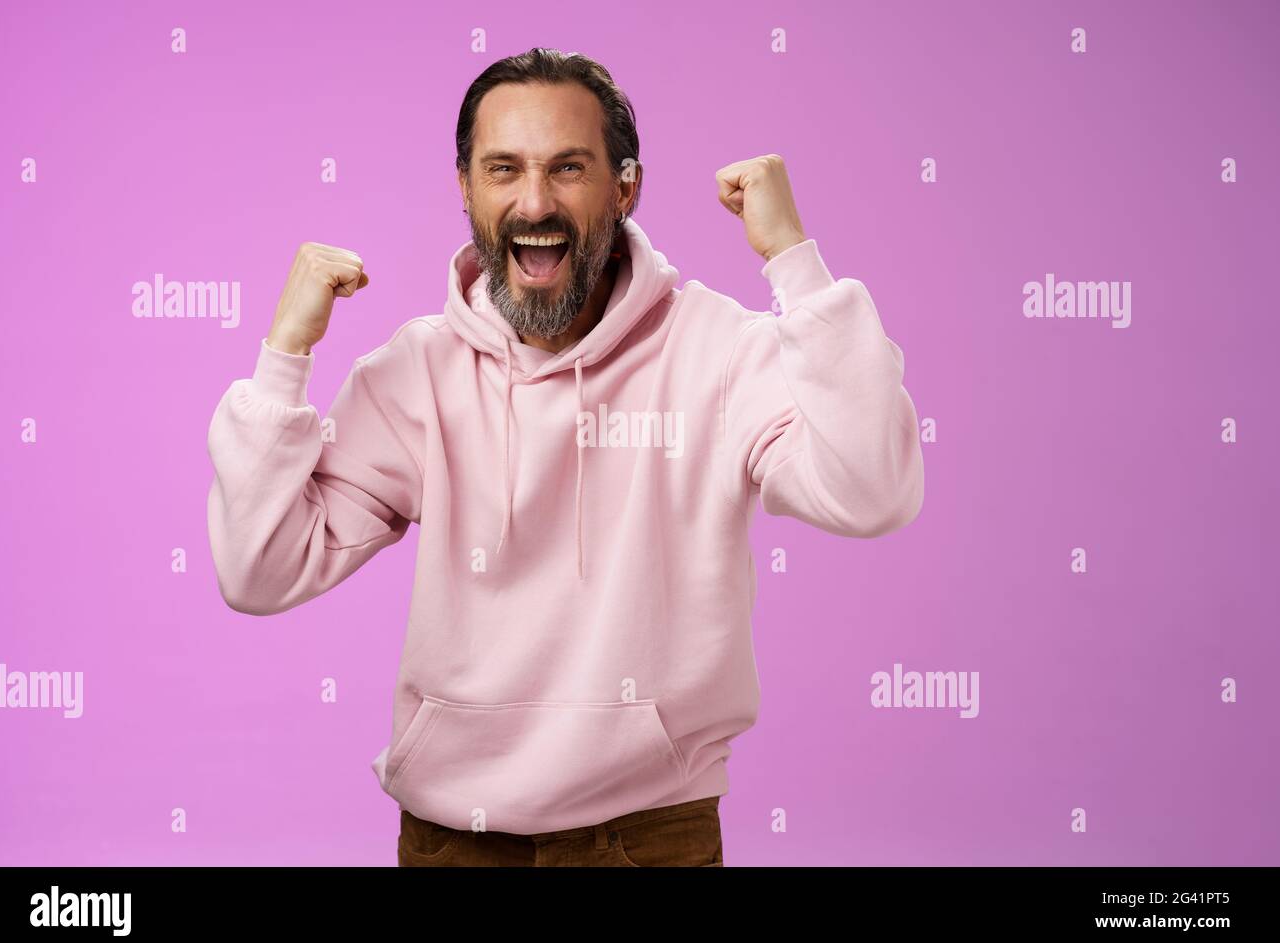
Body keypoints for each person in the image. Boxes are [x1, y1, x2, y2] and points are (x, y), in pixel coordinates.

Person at [205, 47, 925, 867]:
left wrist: (795, 261)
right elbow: (257, 572)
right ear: (466, 188)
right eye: (503, 168)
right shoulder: (415, 374)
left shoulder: (721, 351)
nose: (534, 201)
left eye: (568, 168)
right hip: (452, 842)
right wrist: (284, 353)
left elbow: (874, 490)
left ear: (626, 188)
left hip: (650, 835)